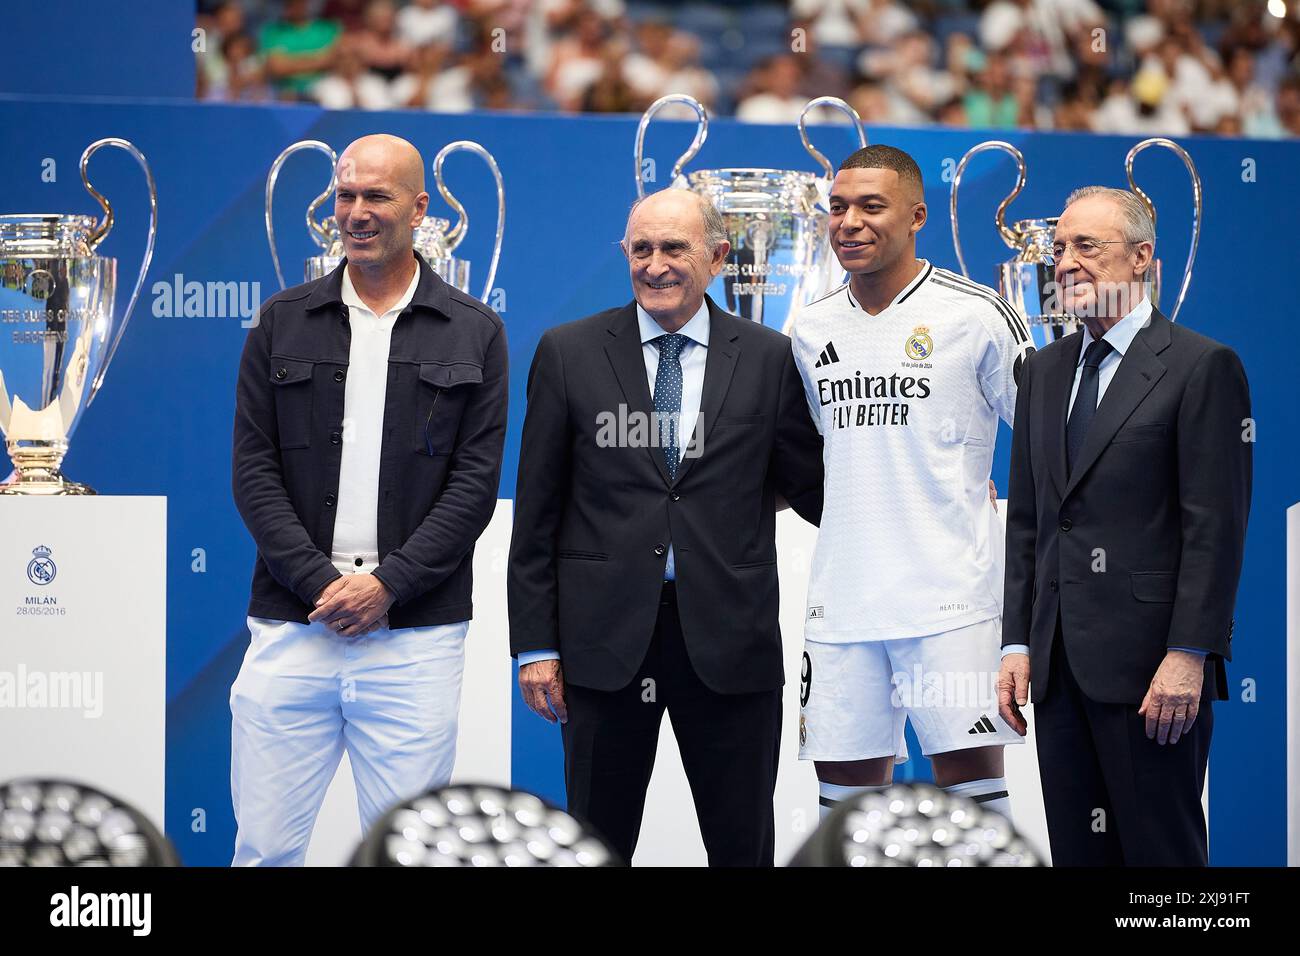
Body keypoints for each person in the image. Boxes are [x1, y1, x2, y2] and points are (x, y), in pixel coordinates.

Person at [507, 189, 824, 866]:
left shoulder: (770, 358)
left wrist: (921, 481)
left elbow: (814, 486)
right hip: (602, 646)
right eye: (640, 248)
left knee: (743, 848)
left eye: (673, 248)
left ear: (715, 257)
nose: (655, 265)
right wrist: (535, 643)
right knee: (594, 845)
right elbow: (537, 511)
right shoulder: (569, 352)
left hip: (730, 645)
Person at [229, 134, 508, 865]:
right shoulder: (279, 321)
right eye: (345, 195)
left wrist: (387, 586)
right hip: (294, 625)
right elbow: (253, 471)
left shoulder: (477, 333)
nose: (356, 212)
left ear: (419, 209)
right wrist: (325, 585)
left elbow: (474, 487)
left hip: (415, 640)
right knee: (263, 851)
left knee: (409, 854)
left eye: (376, 196)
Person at [998, 186, 1251, 866]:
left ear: (1142, 258)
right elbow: (1030, 523)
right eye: (1058, 249)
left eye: (1087, 246)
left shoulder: (1202, 367)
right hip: (1058, 673)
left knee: (1160, 860)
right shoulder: (1044, 372)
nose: (1066, 263)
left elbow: (1215, 529)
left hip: (1152, 675)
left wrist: (1189, 654)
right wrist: (1016, 644)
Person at [788, 145, 1033, 821]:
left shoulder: (977, 314)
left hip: (950, 603)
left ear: (917, 215)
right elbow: (815, 457)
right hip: (841, 609)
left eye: (872, 206)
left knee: (974, 806)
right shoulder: (808, 329)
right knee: (846, 814)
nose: (849, 222)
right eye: (837, 207)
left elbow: (1050, 441)